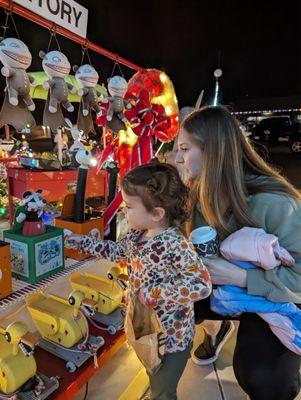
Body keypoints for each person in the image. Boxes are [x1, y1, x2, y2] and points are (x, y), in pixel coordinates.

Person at [175, 105, 301, 400]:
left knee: (262, 376)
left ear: (214, 152)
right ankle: (215, 331)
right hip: (224, 291)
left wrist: (243, 277)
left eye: (184, 148)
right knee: (169, 302)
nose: (178, 158)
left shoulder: (275, 203)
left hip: (279, 299)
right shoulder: (194, 195)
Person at [65, 162, 212, 400]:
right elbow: (117, 252)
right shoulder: (138, 233)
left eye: (129, 206)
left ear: (157, 213)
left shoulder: (174, 243)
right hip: (144, 327)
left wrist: (156, 292)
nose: (124, 210)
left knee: (164, 388)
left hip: (172, 338)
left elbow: (202, 284)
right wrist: (81, 242)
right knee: (151, 371)